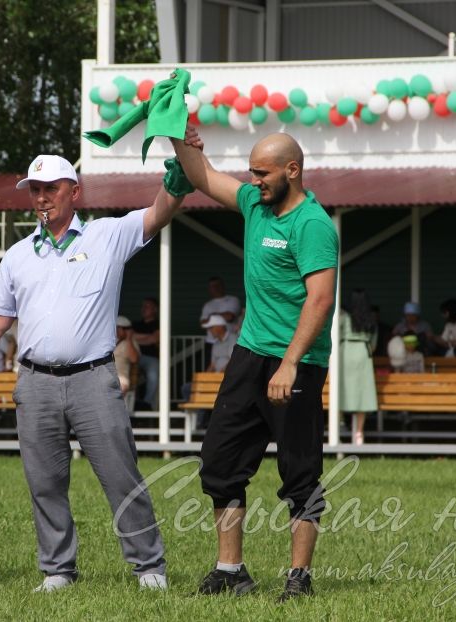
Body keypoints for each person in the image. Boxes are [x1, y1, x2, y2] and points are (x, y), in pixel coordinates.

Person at [0, 153, 187, 593]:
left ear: (74, 192)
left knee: (122, 476)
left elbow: (159, 213)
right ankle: (58, 570)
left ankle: (149, 567)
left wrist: (176, 180)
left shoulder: (107, 234)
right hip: (35, 382)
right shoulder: (18, 256)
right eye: (36, 190)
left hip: (94, 379)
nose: (42, 198)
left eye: (52, 189)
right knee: (44, 482)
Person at [172, 127, 337, 601]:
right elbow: (202, 177)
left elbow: (320, 300)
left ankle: (299, 578)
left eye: (262, 173)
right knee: (219, 464)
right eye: (251, 172)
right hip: (249, 356)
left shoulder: (312, 224)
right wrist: (176, 135)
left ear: (293, 170)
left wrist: (289, 364)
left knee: (299, 471)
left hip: (297, 363)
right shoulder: (255, 206)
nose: (254, 180)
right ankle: (230, 570)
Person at [338, 290, 378, 445]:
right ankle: (359, 433)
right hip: (363, 353)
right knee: (363, 394)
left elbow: (335, 336)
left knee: (341, 390)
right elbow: (373, 345)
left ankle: (340, 425)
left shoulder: (343, 318)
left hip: (345, 353)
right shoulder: (370, 320)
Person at [200, 276, 241, 362]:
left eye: (217, 285)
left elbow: (230, 317)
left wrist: (212, 315)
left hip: (229, 339)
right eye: (212, 286)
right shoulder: (208, 305)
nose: (215, 288)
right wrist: (221, 315)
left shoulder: (232, 300)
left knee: (230, 362)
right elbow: (203, 323)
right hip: (211, 341)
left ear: (222, 286)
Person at [132, 297, 160, 410]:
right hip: (135, 356)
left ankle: (146, 405)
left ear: (155, 309)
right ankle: (130, 404)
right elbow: (130, 338)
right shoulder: (135, 324)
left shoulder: (158, 323)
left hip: (151, 358)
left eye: (147, 306)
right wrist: (148, 337)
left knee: (153, 375)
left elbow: (154, 339)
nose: (143, 309)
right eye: (143, 306)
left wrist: (136, 337)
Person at [114, 315, 140, 411]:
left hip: (121, 378)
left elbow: (134, 359)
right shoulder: (109, 342)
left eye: (120, 328)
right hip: (105, 376)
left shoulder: (130, 343)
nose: (117, 330)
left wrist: (129, 339)